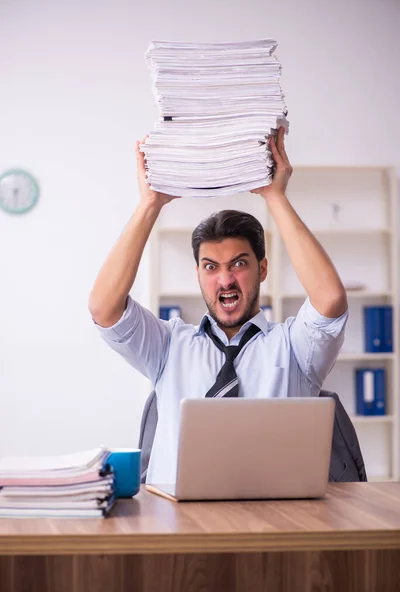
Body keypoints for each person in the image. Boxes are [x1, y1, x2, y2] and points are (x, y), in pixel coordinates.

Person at [89, 127, 348, 484]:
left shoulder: (294, 348)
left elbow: (330, 299)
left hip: (276, 526)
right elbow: (104, 308)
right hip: (179, 528)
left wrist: (275, 198)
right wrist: (150, 205)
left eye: (239, 264)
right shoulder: (168, 346)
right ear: (198, 273)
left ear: (263, 269)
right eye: (211, 267)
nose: (225, 280)